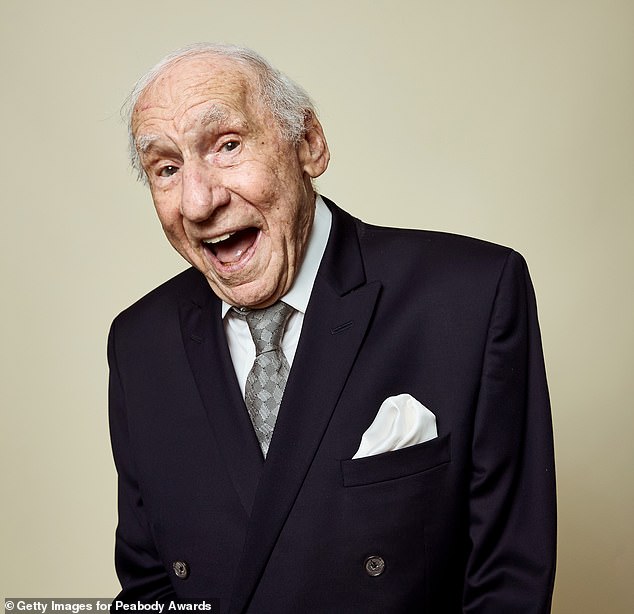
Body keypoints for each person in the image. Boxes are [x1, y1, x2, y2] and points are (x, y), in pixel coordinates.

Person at [108, 43, 556, 613]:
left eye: (227, 146)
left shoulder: (471, 296)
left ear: (310, 144)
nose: (198, 202)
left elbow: (508, 582)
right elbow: (150, 591)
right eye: (167, 168)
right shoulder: (138, 344)